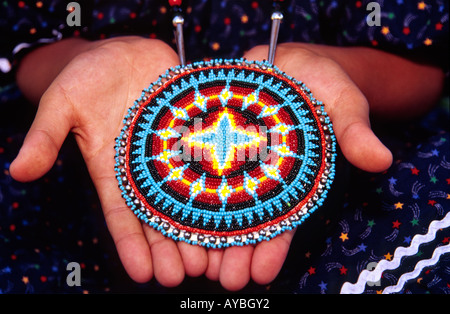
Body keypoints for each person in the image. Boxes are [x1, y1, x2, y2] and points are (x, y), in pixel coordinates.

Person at [1, 0, 448, 293]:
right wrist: (77, 65)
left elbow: (421, 69)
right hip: (73, 216)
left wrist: (336, 69)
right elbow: (28, 47)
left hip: (350, 196)